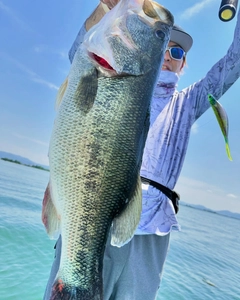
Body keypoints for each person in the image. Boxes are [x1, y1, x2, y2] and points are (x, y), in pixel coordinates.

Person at [43, 1, 240, 299]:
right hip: (97, 215)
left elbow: (234, 62)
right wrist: (104, 9)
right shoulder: (104, 60)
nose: (169, 56)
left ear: (183, 65)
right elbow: (79, 57)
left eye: (177, 52)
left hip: (152, 228)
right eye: (166, 46)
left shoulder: (188, 103)